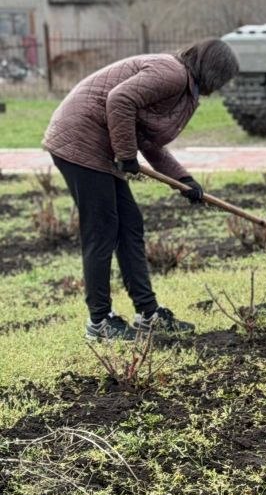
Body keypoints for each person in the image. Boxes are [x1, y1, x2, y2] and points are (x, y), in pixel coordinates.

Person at [42, 39, 240, 341]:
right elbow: (119, 100)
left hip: (98, 141)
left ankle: (148, 314)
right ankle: (100, 322)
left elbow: (146, 138)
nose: (221, 87)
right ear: (214, 71)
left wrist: (183, 179)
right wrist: (125, 154)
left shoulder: (178, 80)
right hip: (80, 138)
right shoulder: (173, 74)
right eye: (223, 80)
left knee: (129, 225)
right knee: (102, 230)